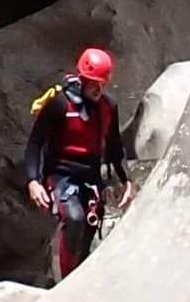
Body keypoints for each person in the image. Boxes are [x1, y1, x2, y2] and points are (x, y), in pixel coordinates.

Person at [21, 45, 133, 281]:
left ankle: (76, 279)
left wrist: (127, 180)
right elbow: (35, 143)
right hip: (61, 176)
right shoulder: (60, 104)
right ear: (83, 78)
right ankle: (65, 284)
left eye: (103, 83)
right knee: (74, 219)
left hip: (91, 177)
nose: (99, 88)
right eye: (94, 83)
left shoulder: (108, 107)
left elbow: (114, 145)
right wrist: (33, 180)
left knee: (88, 231)